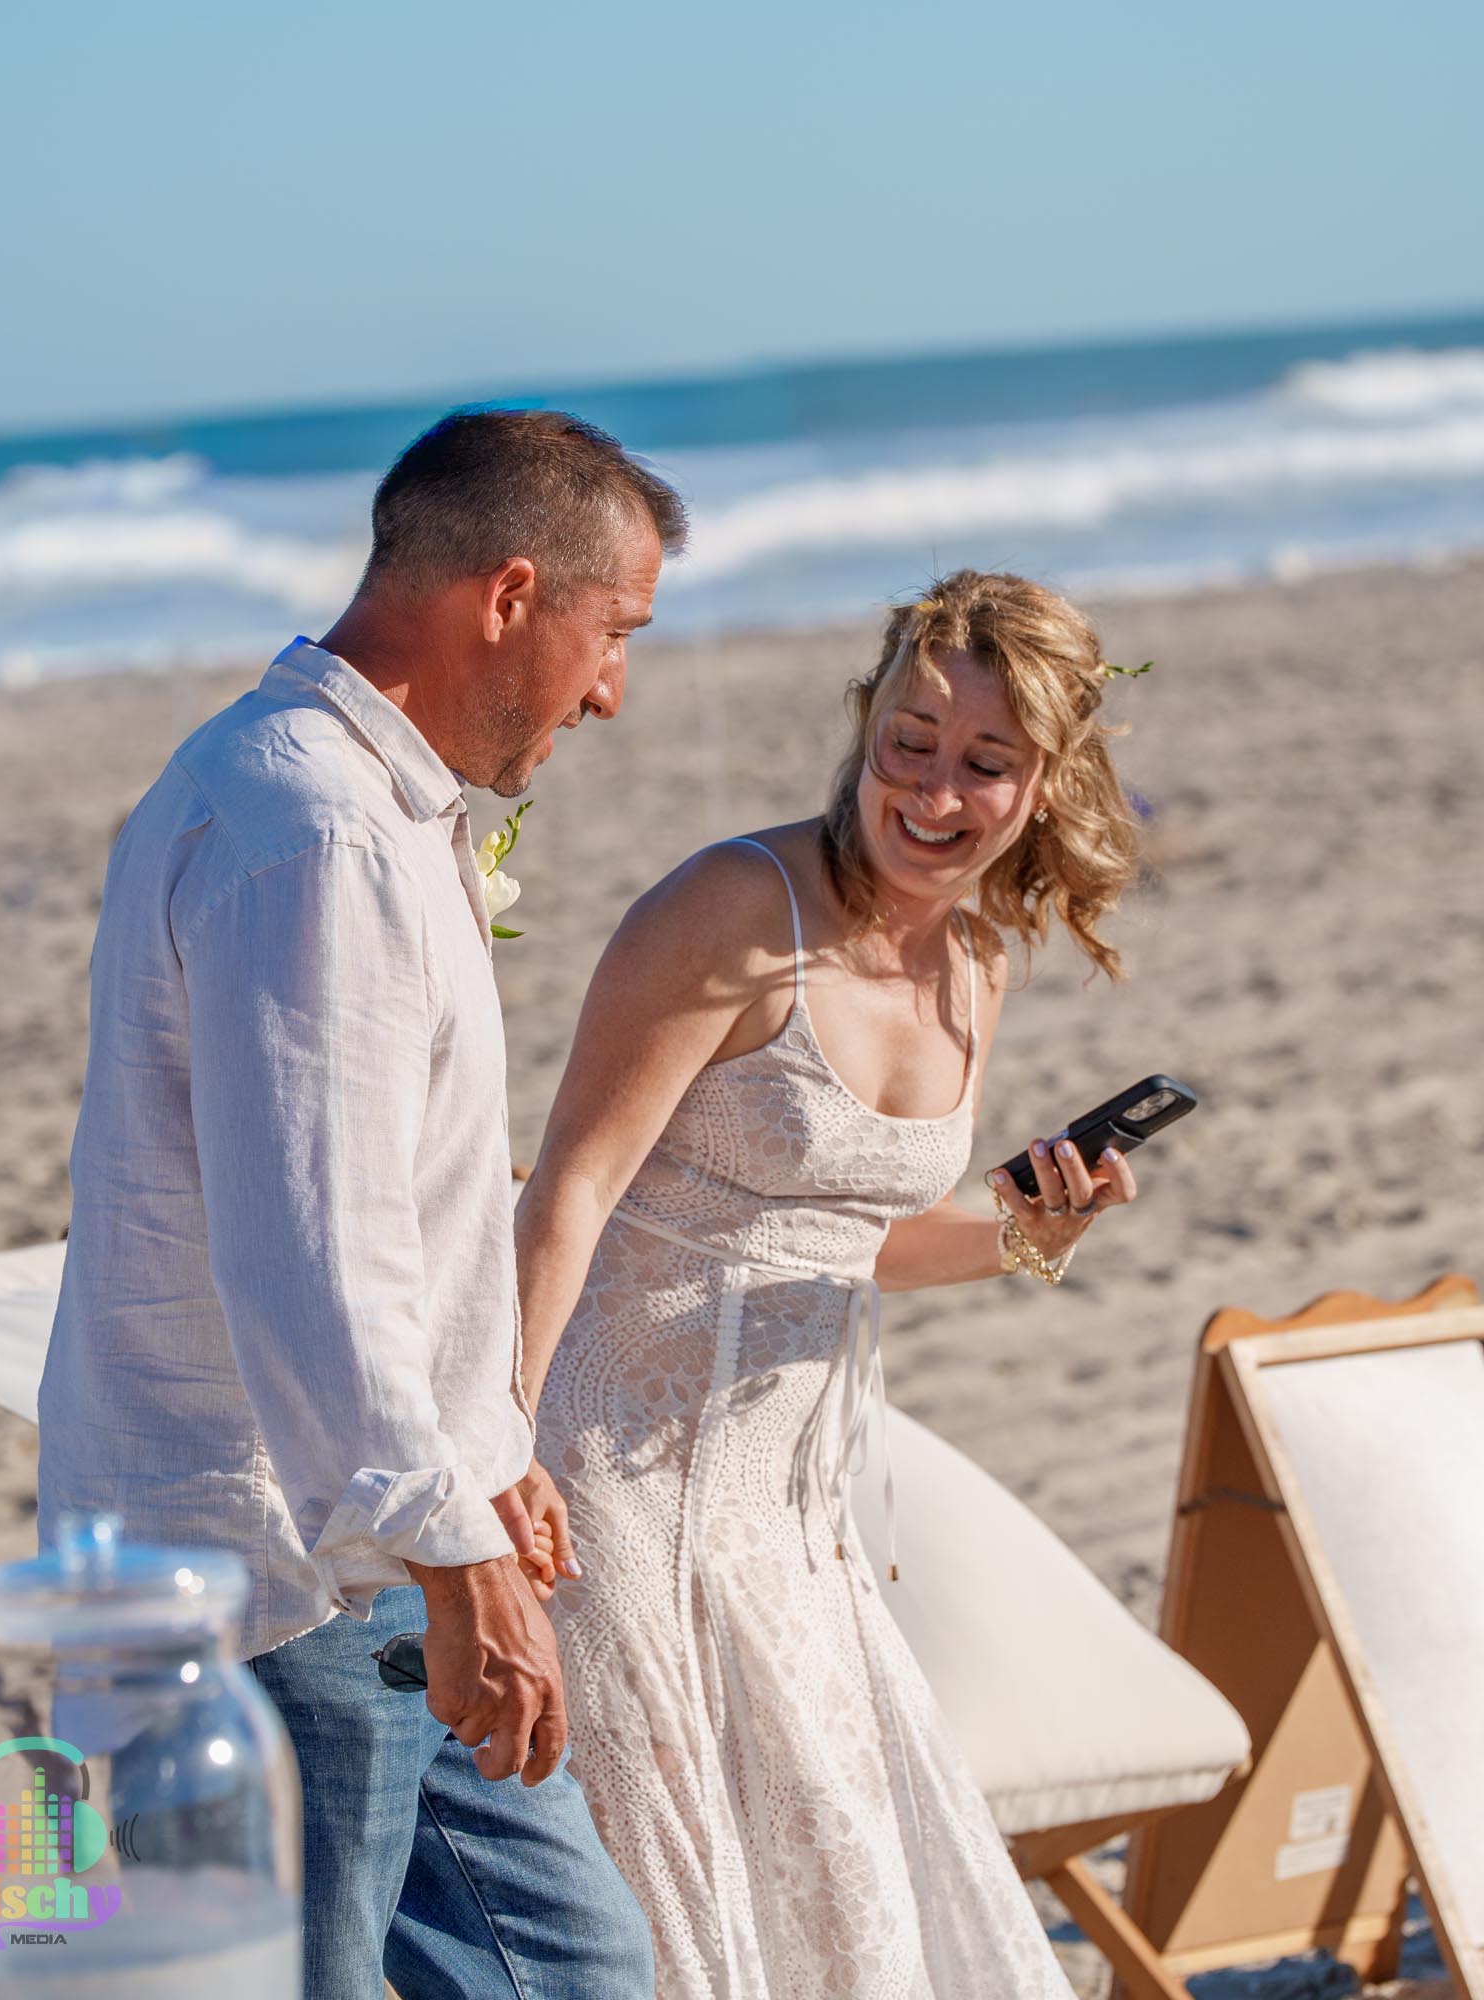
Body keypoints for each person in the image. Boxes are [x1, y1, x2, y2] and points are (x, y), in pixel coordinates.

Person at [37, 408, 686, 1999]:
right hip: (283, 1571)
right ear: (511, 595)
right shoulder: (311, 835)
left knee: (576, 1966)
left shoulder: (324, 795)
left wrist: (486, 1455)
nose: (613, 688)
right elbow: (309, 1250)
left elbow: (380, 1205)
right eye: (615, 635)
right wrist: (448, 1547)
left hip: (371, 1538)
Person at [510, 569, 1144, 1996]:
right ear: (865, 725)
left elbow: (847, 1247)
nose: (934, 791)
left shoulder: (978, 963)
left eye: (984, 763)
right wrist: (499, 1457)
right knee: (676, 1912)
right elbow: (570, 1189)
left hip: (794, 1529)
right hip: (613, 1494)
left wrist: (1035, 1234)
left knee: (839, 1898)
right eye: (909, 743)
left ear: (1045, 784)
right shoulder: (735, 909)